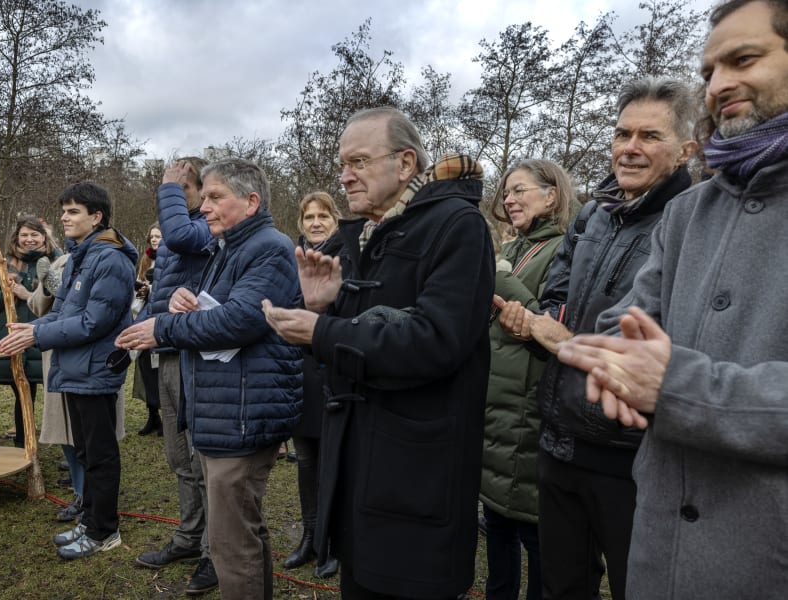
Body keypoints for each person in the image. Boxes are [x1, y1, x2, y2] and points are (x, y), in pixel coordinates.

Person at [554, 1, 788, 597]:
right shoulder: (689, 213)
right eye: (709, 71)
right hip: (661, 549)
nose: (719, 84)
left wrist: (676, 386)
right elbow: (623, 323)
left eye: (744, 58)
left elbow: (666, 376)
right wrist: (610, 365)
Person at [263, 107, 494, 599]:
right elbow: (362, 329)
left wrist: (322, 331)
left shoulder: (458, 226)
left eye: (359, 162)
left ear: (406, 164)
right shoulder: (369, 233)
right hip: (361, 470)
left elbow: (437, 340)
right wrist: (325, 305)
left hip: (417, 477)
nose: (345, 175)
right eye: (343, 163)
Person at [493, 78, 697, 600]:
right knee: (562, 586)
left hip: (629, 455)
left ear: (685, 149)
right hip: (559, 439)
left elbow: (664, 327)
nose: (630, 148)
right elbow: (556, 294)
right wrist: (539, 320)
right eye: (622, 133)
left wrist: (564, 337)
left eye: (649, 136)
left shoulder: (691, 221)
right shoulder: (594, 214)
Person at [116, 158, 302, 600]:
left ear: (251, 201)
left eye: (217, 198)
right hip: (225, 410)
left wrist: (162, 327)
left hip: (242, 414)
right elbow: (219, 309)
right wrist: (185, 301)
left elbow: (240, 321)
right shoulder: (229, 248)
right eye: (205, 198)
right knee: (239, 533)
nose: (204, 208)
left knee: (231, 544)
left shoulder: (269, 247)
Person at [0, 182, 137, 559]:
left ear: (97, 217)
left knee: (100, 454)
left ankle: (105, 531)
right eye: (64, 210)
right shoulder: (81, 256)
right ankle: (90, 522)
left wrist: (37, 338)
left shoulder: (110, 259)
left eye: (73, 211)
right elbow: (63, 310)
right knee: (86, 452)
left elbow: (93, 322)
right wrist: (34, 328)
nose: (64, 217)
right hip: (75, 369)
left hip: (95, 371)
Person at [483, 159, 574, 600]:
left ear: (551, 195)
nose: (509, 199)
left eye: (519, 190)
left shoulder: (561, 249)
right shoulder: (514, 248)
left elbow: (546, 320)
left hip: (531, 415)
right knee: (496, 529)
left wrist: (499, 272)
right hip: (496, 418)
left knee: (536, 540)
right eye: (506, 193)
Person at [132, 157, 219, 596]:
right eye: (169, 188)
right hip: (165, 352)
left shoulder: (204, 226)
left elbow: (183, 239)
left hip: (195, 355)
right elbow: (162, 290)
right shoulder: (172, 235)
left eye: (180, 187)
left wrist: (168, 187)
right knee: (178, 458)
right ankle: (188, 537)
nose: (171, 192)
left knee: (202, 460)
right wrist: (141, 330)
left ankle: (212, 551)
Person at [281, 191, 341, 578]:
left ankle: (334, 542)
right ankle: (310, 535)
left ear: (335, 220)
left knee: (334, 464)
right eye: (309, 217)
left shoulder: (346, 259)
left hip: (335, 375)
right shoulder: (291, 262)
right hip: (300, 375)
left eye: (323, 216)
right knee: (305, 461)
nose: (316, 222)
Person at [0, 215, 61, 448]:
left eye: (34, 235)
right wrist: (7, 291)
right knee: (22, 387)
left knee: (53, 389)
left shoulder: (56, 261)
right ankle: (22, 440)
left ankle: (60, 439)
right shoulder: (5, 264)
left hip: (43, 330)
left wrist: (28, 294)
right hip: (13, 331)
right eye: (24, 235)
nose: (29, 240)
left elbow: (62, 299)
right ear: (17, 237)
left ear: (44, 237)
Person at [132, 222, 162, 436]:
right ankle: (153, 415)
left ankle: (166, 416)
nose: (154, 240)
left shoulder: (172, 258)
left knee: (160, 368)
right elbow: (142, 282)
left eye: (158, 236)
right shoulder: (146, 259)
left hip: (160, 316)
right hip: (143, 313)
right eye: (152, 236)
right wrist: (143, 291)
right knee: (145, 367)